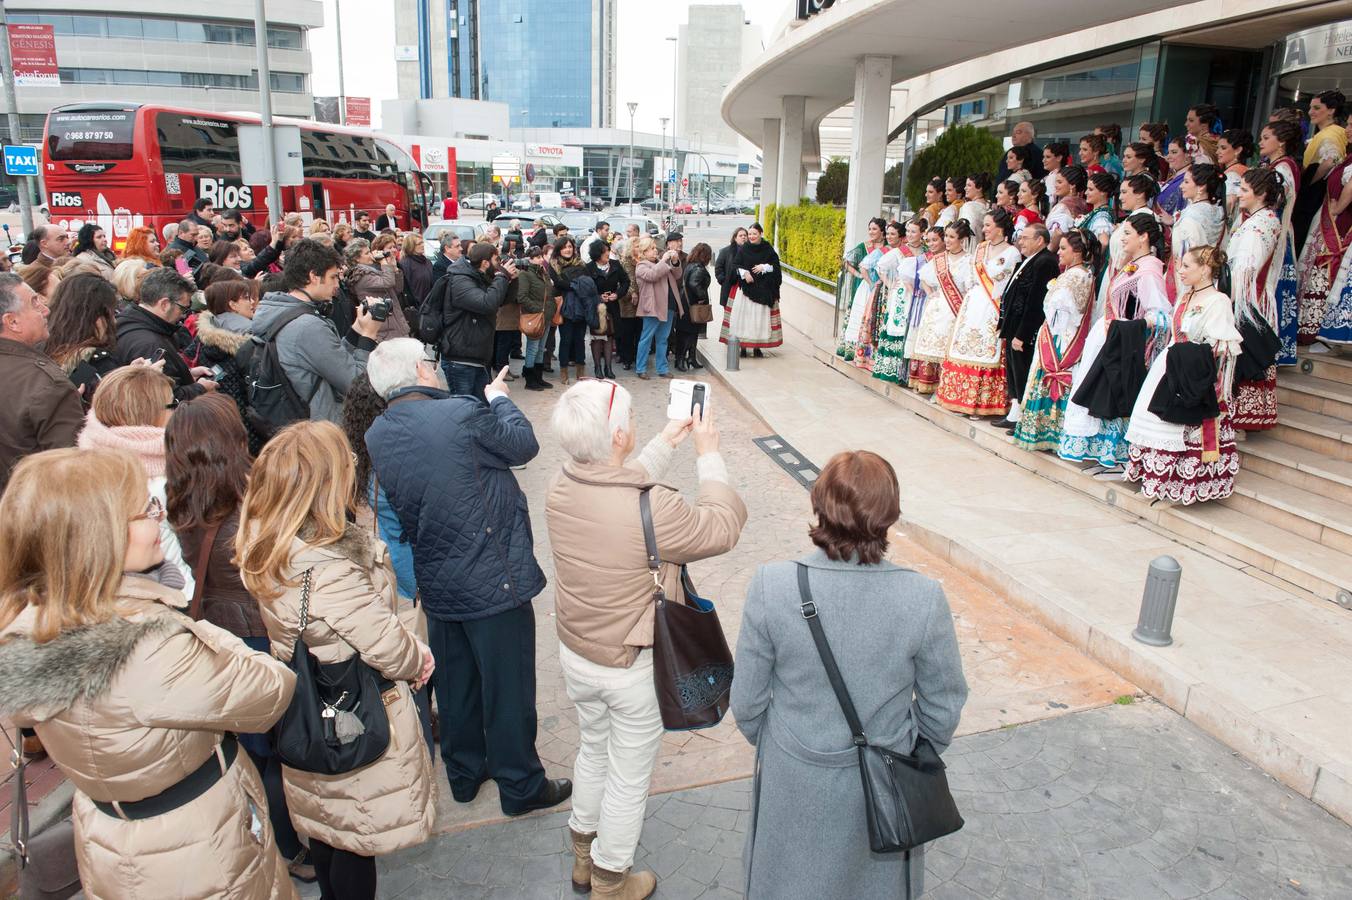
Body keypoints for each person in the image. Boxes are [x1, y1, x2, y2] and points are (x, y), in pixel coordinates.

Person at [0, 447, 298, 899]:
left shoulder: (30, 627)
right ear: (97, 538)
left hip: (114, 839)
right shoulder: (147, 646)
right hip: (197, 846)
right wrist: (182, 622)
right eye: (143, 511)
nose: (158, 518)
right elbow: (270, 691)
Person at [730, 450, 968, 900]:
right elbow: (944, 705)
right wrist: (905, 747)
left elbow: (746, 703)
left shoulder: (772, 585)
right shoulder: (923, 598)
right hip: (883, 784)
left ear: (818, 505)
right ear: (889, 515)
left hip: (793, 776)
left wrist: (783, 743)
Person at [546, 381, 747, 898]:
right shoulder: (657, 507)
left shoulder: (561, 485)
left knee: (594, 748)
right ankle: (613, 877)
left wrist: (668, 440)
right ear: (617, 434)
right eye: (631, 418)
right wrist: (708, 455)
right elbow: (722, 527)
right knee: (629, 773)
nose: (636, 424)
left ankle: (582, 856)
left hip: (578, 652)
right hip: (631, 663)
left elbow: (622, 484)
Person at [363, 340, 571, 818]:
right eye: (430, 363)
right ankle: (520, 784)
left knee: (457, 684)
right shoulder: (461, 413)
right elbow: (523, 445)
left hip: (437, 575)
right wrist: (498, 397)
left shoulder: (377, 432)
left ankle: (463, 775)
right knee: (508, 685)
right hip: (491, 572)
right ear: (419, 369)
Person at [237, 420, 435, 900]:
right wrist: (419, 659)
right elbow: (384, 641)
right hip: (351, 720)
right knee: (352, 843)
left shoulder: (269, 544)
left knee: (327, 831)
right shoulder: (326, 567)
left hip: (306, 714)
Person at [162, 392, 315, 882]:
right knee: (281, 749)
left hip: (218, 640)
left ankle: (276, 840)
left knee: (254, 750)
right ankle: (292, 845)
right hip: (260, 639)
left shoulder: (180, 502)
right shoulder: (248, 511)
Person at [1125, 246, 1243, 504]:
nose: (1181, 271)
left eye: (1187, 266)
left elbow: (1222, 346)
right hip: (1171, 364)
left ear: (1205, 269)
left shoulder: (1218, 301)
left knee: (1180, 426)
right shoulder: (1186, 296)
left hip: (1194, 372)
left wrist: (1196, 361)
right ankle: (1158, 480)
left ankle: (1183, 484)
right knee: (1158, 421)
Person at [1060, 213, 1171, 472]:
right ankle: (1103, 454)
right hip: (1113, 339)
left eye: (1128, 234)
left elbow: (1160, 313)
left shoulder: (1148, 271)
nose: (1123, 239)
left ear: (1143, 238)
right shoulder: (1133, 266)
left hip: (1127, 343)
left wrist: (1131, 327)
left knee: (1116, 396)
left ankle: (1117, 456)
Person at [250, 238, 381, 425]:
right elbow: (356, 383)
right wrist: (369, 335)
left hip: (300, 424)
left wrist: (357, 330)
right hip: (321, 428)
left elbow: (327, 357)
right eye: (333, 277)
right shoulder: (307, 327)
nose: (337, 284)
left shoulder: (279, 311)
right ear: (314, 276)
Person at [1012, 229, 1100, 450]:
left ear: (1077, 251)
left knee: (1052, 379)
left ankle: (1047, 431)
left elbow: (1061, 312)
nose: (1058, 253)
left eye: (1063, 248)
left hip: (1061, 338)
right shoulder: (1083, 273)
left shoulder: (1075, 276)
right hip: (1065, 334)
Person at [0, 274, 83, 492]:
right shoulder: (47, 385)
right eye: (34, 304)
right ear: (12, 321)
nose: (45, 310)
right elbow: (71, 474)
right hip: (35, 512)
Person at [938, 209, 1020, 417]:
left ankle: (982, 404)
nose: (983, 229)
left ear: (1000, 228)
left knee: (986, 350)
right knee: (964, 348)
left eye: (987, 225)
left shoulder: (1012, 252)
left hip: (993, 306)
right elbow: (971, 277)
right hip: (973, 303)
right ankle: (962, 399)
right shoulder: (981, 248)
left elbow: (1003, 282)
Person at [1226, 168, 1286, 429]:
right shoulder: (1263, 219)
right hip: (1252, 299)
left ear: (1260, 194)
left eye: (1245, 189)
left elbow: (1245, 270)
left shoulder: (1258, 225)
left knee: (1243, 355)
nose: (1239, 194)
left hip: (1246, 302)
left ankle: (1239, 419)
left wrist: (1228, 299)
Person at [114, 268, 217, 401]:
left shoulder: (130, 320)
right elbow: (166, 398)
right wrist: (200, 388)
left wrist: (187, 373)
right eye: (183, 308)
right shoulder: (149, 344)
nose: (184, 314)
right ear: (164, 304)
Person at [998, 223, 1060, 426]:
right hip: (1013, 325)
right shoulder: (1030, 260)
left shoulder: (1046, 262)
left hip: (1025, 330)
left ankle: (1022, 417)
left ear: (1040, 240)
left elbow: (1035, 302)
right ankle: (1014, 412)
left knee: (1022, 369)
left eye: (1025, 238)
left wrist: (1022, 334)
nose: (1020, 241)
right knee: (1014, 369)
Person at [1298, 114, 1352, 346]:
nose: (1346, 129)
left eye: (1351, 125)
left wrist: (1338, 207)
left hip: (1339, 225)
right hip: (1332, 220)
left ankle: (1316, 331)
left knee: (1324, 272)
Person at [440, 242, 515, 399]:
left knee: (481, 408)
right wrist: (502, 276)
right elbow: (487, 304)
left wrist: (511, 280)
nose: (499, 264)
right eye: (497, 260)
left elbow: (501, 300)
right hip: (460, 359)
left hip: (478, 357)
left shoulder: (481, 277)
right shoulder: (461, 280)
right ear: (485, 263)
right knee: (463, 410)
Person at [909, 221, 975, 394]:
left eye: (952, 237)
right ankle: (928, 383)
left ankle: (945, 386)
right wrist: (931, 293)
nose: (947, 240)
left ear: (963, 240)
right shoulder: (939, 259)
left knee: (947, 345)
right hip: (937, 307)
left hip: (956, 307)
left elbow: (970, 287)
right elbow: (923, 278)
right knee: (931, 343)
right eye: (946, 236)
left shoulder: (969, 260)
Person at [1259, 120, 1305, 365]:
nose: (1261, 142)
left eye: (1266, 138)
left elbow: (1276, 203)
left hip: (1274, 235)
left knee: (1273, 285)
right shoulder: (1276, 165)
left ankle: (1272, 349)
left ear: (1282, 142)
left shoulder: (1284, 167)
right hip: (1272, 232)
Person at [43, 272, 122, 405]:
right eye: (112, 313)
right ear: (96, 317)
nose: (114, 321)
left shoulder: (43, 347)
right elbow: (120, 411)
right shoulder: (97, 362)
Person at [872, 218, 928, 386]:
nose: (910, 235)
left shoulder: (926, 252)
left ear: (922, 234)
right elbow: (880, 266)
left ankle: (909, 373)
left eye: (913, 231)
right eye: (908, 231)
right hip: (902, 294)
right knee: (899, 326)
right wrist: (889, 284)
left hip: (919, 294)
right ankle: (894, 370)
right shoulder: (900, 252)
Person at [1170, 164, 1227, 299]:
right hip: (1210, 279)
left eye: (1186, 182)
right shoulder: (1217, 211)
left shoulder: (1191, 217)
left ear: (1201, 187)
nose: (1181, 186)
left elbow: (1188, 256)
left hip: (1190, 281)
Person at [837, 218, 888, 365]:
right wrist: (859, 275)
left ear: (882, 231)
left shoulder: (887, 247)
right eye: (870, 229)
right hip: (864, 286)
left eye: (874, 229)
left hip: (879, 287)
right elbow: (846, 262)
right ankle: (853, 350)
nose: (871, 232)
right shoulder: (863, 247)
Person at [633, 238, 684, 380]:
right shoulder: (641, 266)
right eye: (652, 248)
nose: (656, 250)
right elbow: (652, 275)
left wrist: (674, 261)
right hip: (653, 308)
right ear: (644, 252)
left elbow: (678, 275)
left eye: (655, 247)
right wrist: (664, 261)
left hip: (669, 305)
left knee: (663, 339)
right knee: (646, 339)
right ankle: (641, 368)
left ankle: (662, 368)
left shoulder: (660, 263)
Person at [730, 222, 784, 356]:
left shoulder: (768, 249)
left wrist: (764, 267)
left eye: (754, 233)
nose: (752, 236)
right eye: (750, 234)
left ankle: (757, 347)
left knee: (760, 319)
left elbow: (776, 267)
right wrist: (744, 273)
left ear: (761, 234)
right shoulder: (743, 249)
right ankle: (743, 347)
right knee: (745, 319)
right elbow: (735, 265)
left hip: (763, 290)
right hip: (747, 292)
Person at [344, 238, 409, 343]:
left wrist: (394, 268)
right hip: (384, 330)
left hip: (395, 324)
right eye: (367, 253)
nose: (371, 254)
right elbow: (388, 282)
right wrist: (383, 262)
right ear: (356, 259)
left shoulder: (372, 270)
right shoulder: (359, 275)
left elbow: (398, 288)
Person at [588, 238, 631, 378]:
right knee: (597, 337)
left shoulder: (615, 264)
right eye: (605, 251)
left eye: (608, 250)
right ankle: (597, 368)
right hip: (597, 307)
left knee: (610, 336)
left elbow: (626, 281)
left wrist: (617, 294)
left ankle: (608, 368)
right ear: (597, 254)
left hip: (612, 306)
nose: (608, 253)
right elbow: (585, 289)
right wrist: (598, 297)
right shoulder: (589, 268)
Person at [550, 236, 590, 384]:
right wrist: (574, 284)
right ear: (559, 249)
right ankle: (564, 371)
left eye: (570, 247)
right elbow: (560, 284)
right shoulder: (553, 264)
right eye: (565, 247)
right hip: (564, 306)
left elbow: (585, 283)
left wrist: (571, 284)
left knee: (580, 340)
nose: (568, 249)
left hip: (581, 306)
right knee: (566, 340)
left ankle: (581, 371)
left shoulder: (581, 264)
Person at [674, 241, 712, 373]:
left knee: (690, 333)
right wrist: (702, 297)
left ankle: (691, 358)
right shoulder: (698, 268)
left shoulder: (691, 265)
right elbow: (694, 284)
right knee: (688, 334)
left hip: (686, 303)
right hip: (693, 305)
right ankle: (681, 360)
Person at [1046, 164, 1089, 252]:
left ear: (1072, 185)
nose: (1056, 185)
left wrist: (1048, 251)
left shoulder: (1062, 207)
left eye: (1060, 182)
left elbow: (1058, 234)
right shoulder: (1081, 203)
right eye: (1056, 182)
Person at [1156, 137, 1192, 225]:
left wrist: (1173, 219)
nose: (1168, 157)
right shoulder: (1176, 177)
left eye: (1174, 152)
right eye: (1168, 152)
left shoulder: (1188, 180)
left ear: (1187, 154)